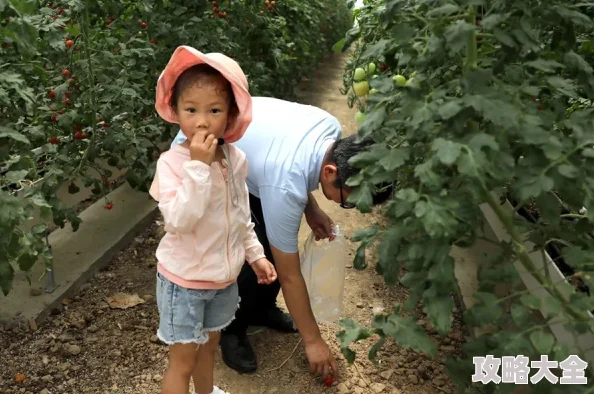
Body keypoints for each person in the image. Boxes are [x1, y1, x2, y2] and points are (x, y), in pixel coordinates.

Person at [171, 97, 393, 379]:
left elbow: (293, 168)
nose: (344, 207)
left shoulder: (331, 132)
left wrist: (311, 209)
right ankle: (231, 329)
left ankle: (261, 308)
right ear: (331, 173)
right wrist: (313, 341)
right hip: (198, 157)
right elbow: (290, 275)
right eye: (348, 202)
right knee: (251, 252)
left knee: (269, 241)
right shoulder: (285, 183)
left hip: (242, 159)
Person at [149, 46, 278, 394]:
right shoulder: (173, 164)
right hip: (184, 283)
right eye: (191, 110)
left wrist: (256, 255)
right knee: (183, 361)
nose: (202, 121)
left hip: (223, 281)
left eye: (214, 110)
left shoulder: (235, 160)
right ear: (175, 111)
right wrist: (198, 168)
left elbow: (240, 215)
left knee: (208, 349)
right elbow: (178, 220)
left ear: (231, 116)